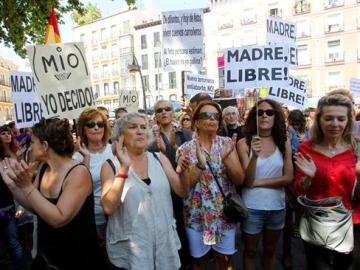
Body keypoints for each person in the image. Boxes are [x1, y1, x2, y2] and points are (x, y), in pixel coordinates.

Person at [0, 118, 101, 269]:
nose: (30, 146)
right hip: (48, 258)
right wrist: (13, 186)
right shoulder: (43, 168)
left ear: (45, 145)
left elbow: (58, 218)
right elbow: (34, 206)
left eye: (33, 142)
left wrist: (27, 187)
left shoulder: (78, 173)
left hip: (76, 260)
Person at [100, 112, 189, 270]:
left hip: (164, 246)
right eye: (133, 127)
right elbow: (108, 207)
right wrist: (124, 168)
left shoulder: (159, 158)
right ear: (120, 135)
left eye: (143, 127)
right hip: (131, 252)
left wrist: (182, 175)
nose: (140, 131)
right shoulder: (111, 165)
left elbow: (182, 192)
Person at [177, 100, 245, 270]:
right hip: (197, 217)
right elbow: (185, 187)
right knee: (199, 262)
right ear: (196, 122)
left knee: (224, 260)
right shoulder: (184, 149)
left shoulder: (227, 143)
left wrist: (226, 159)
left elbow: (239, 180)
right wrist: (200, 165)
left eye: (216, 116)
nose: (212, 119)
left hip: (224, 216)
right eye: (206, 115)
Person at [294, 94, 357, 270]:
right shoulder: (306, 148)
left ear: (348, 121)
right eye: (328, 118)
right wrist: (308, 177)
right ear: (319, 120)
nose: (335, 124)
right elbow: (299, 189)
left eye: (340, 118)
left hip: (349, 222)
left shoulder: (356, 148)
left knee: (344, 266)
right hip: (316, 221)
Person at [237, 99, 293, 270]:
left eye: (269, 112)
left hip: (277, 207)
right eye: (259, 112)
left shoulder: (284, 142)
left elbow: (288, 177)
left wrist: (258, 182)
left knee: (270, 251)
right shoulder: (244, 143)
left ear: (276, 116)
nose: (264, 115)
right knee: (250, 251)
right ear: (254, 117)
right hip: (252, 208)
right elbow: (247, 180)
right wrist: (254, 156)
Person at [148, 100, 193, 268]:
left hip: (186, 189)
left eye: (167, 109)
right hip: (164, 193)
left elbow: (191, 162)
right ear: (156, 115)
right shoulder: (149, 139)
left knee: (188, 230)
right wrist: (159, 151)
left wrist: (172, 147)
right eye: (159, 110)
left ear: (173, 112)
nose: (164, 112)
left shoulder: (186, 134)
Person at [73, 108, 114, 268]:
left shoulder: (114, 151)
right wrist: (86, 158)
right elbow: (80, 189)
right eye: (91, 124)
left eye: (100, 124)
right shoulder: (77, 157)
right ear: (83, 128)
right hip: (93, 219)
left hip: (117, 215)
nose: (96, 128)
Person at [282, 109, 307, 269]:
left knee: (298, 204)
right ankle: (287, 249)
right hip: (289, 172)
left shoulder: (309, 133)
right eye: (294, 122)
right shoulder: (286, 132)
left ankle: (296, 225)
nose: (296, 125)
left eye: (298, 123)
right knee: (289, 206)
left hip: (302, 171)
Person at [0, 136, 25, 270]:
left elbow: (18, 183)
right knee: (13, 243)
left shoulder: (7, 161)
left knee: (14, 244)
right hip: (7, 206)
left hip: (7, 207)